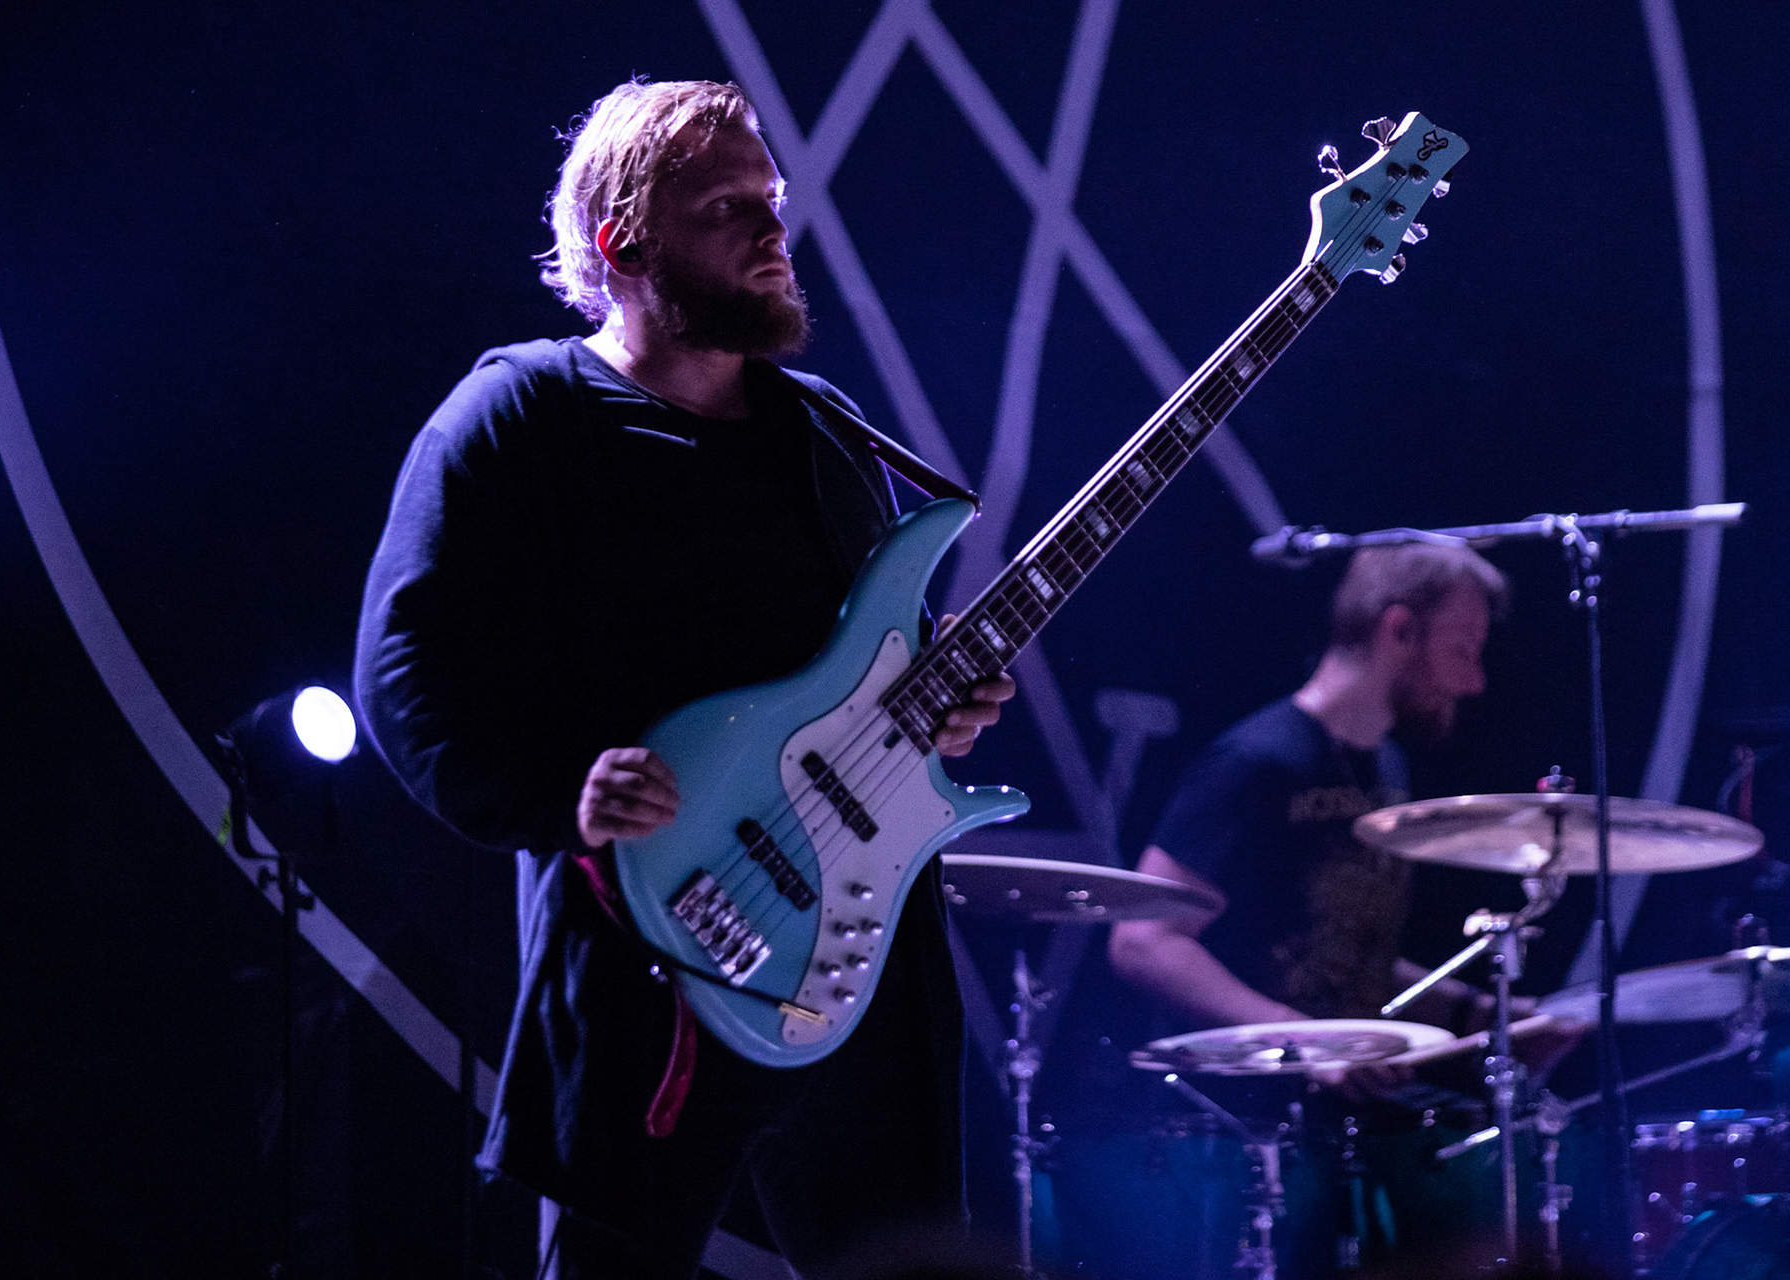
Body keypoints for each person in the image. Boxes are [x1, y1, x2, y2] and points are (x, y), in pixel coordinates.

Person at [353, 79, 1013, 1280]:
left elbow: (881, 677)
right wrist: (567, 787)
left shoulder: (825, 431)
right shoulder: (520, 414)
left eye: (772, 199)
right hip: (653, 950)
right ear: (624, 242)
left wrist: (942, 707)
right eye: (726, 206)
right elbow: (409, 677)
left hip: (854, 953)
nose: (771, 231)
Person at [1039, 543, 1527, 1278]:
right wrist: (1309, 1043)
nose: (1476, 680)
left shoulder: (1383, 769)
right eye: (1462, 649)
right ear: (1398, 629)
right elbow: (1144, 941)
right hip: (1225, 1142)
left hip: (1324, 1137)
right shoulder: (1257, 762)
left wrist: (1480, 1013)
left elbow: (1334, 943)